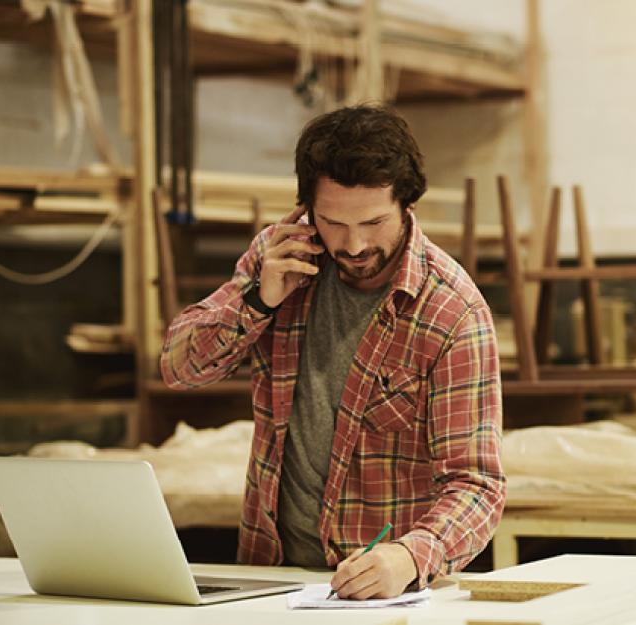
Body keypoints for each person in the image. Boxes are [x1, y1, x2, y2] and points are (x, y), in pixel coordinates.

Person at [160, 104, 505, 600]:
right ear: (306, 209)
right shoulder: (279, 256)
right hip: (267, 577)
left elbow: (478, 484)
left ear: (407, 204)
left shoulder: (451, 311)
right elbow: (178, 368)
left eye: (373, 221)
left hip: (382, 595)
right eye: (332, 222)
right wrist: (258, 299)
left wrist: (410, 555)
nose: (355, 243)